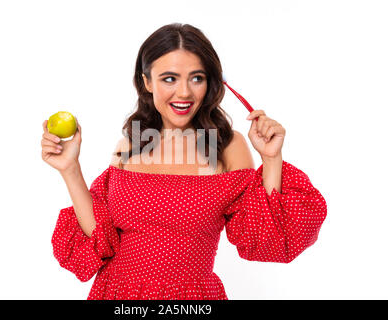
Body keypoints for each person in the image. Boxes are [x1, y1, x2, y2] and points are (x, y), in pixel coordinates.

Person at [41, 23, 327, 300]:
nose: (185, 92)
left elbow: (266, 238)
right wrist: (70, 168)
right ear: (147, 82)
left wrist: (272, 158)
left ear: (210, 82)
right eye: (169, 78)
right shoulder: (131, 143)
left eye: (197, 78)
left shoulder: (227, 146)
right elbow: (101, 241)